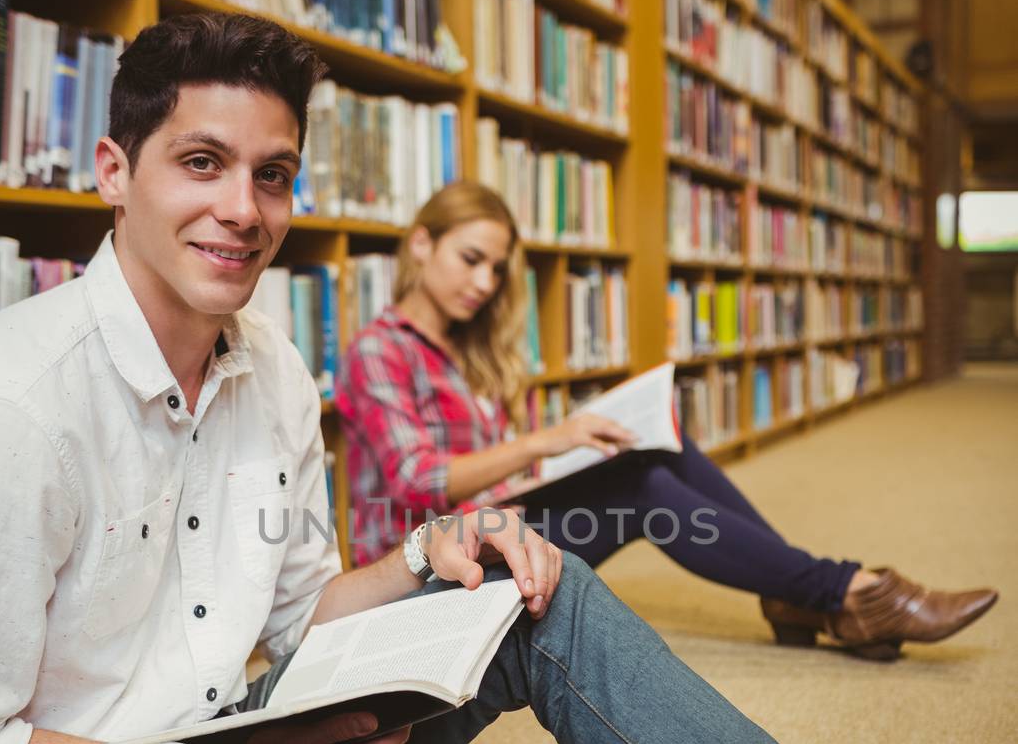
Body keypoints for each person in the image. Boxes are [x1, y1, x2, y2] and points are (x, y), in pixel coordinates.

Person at [0, 10, 1013, 744]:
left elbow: (297, 609)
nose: (242, 207)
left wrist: (428, 554)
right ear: (111, 170)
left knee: (527, 588)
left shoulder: (267, 363)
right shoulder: (10, 406)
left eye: (271, 173)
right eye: (201, 161)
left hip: (232, 729)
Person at [336, 182, 997, 662]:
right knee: (639, 489)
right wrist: (549, 439)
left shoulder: (465, 350)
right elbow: (421, 481)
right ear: (421, 245)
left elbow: (501, 477)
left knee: (655, 448)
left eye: (496, 268)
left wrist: (569, 450)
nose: (483, 283)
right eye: (469, 258)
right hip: (429, 569)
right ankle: (839, 593)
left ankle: (811, 593)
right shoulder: (378, 351)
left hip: (497, 531)